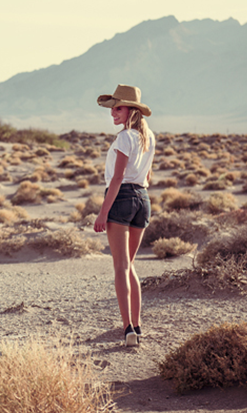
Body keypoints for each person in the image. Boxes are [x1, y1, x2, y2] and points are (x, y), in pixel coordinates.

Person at [93, 85, 155, 347]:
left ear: (132, 110)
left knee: (120, 267)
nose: (113, 114)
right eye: (112, 109)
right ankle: (137, 327)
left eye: (117, 108)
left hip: (122, 199)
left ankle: (127, 328)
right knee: (130, 265)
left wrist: (103, 212)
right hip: (143, 200)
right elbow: (148, 177)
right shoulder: (149, 137)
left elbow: (117, 178)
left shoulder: (124, 138)